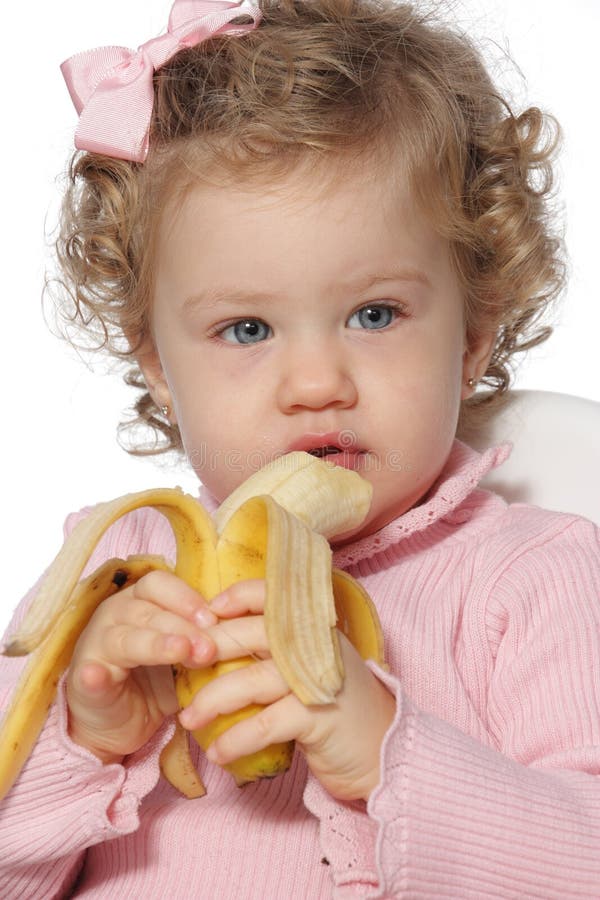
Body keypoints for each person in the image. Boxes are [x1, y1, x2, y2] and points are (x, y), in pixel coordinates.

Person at [1, 0, 599, 896]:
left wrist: (385, 755)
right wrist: (81, 736)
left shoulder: (530, 579)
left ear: (473, 334)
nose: (316, 381)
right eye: (247, 329)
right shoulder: (116, 574)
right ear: (159, 364)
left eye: (374, 315)